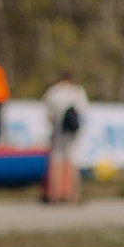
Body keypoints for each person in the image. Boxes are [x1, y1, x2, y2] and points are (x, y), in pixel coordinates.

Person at [42, 72, 89, 203]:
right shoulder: (77, 91)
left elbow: (48, 114)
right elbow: (83, 111)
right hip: (73, 133)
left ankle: (53, 195)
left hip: (58, 132)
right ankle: (73, 195)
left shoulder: (53, 92)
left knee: (56, 163)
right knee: (73, 162)